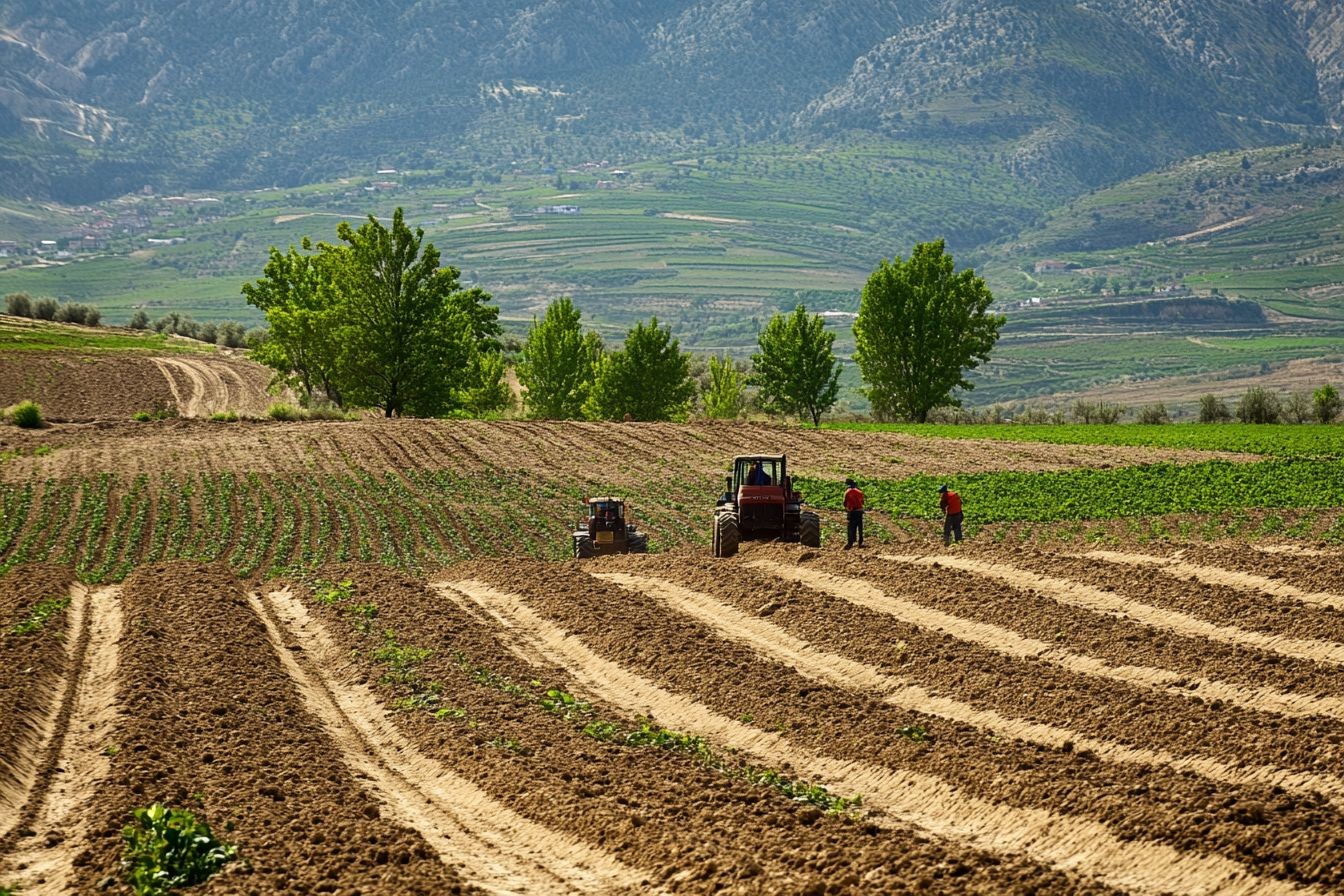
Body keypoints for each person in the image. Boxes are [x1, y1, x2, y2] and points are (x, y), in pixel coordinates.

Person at [843, 477, 865, 549]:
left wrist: (847, 509)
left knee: (851, 527)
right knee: (860, 527)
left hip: (852, 512)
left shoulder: (847, 492)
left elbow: (845, 503)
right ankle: (860, 542)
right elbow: (862, 502)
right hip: (859, 511)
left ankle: (850, 543)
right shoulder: (860, 492)